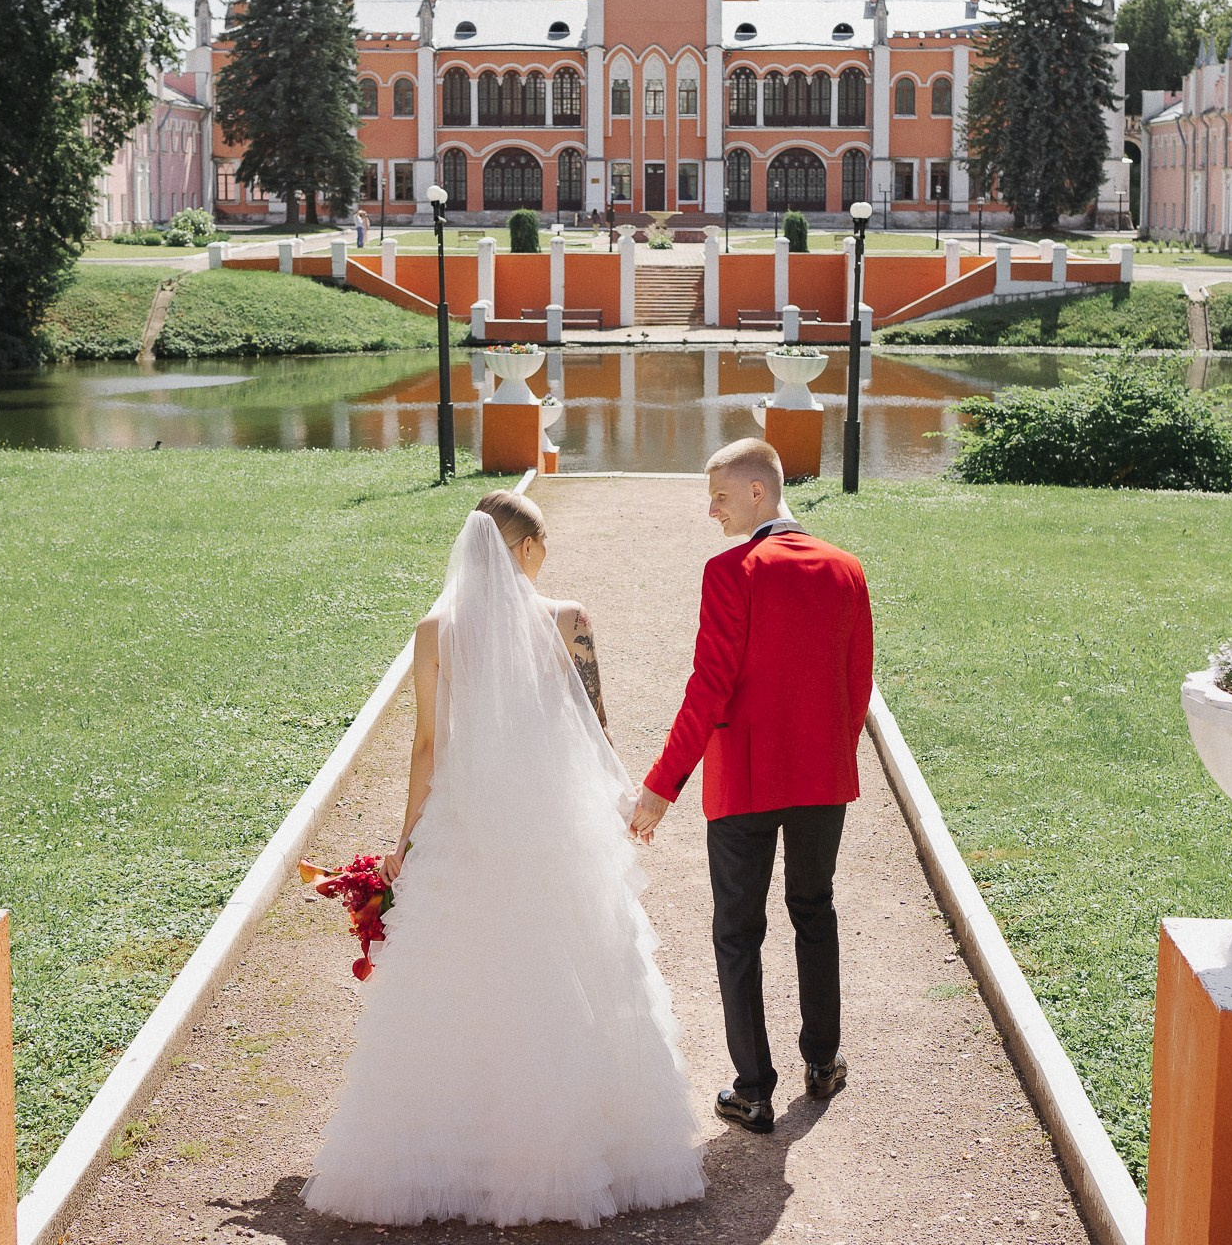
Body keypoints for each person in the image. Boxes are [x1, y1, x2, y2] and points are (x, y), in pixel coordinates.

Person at [304, 490, 702, 1228]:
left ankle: (454, 1147)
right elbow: (596, 724)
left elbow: (426, 747)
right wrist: (621, 806)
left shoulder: (434, 632)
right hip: (554, 816)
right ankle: (581, 1145)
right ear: (526, 550)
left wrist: (405, 841)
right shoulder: (569, 619)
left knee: (465, 969)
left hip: (467, 813)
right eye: (542, 547)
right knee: (569, 960)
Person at [629, 439, 873, 1135]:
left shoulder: (731, 571)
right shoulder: (847, 569)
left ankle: (753, 1090)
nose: (711, 511)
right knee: (814, 910)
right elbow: (857, 686)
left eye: (722, 497)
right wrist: (829, 757)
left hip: (745, 779)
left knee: (738, 932)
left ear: (760, 492)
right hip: (823, 779)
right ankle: (822, 1064)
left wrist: (660, 787)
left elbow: (709, 687)